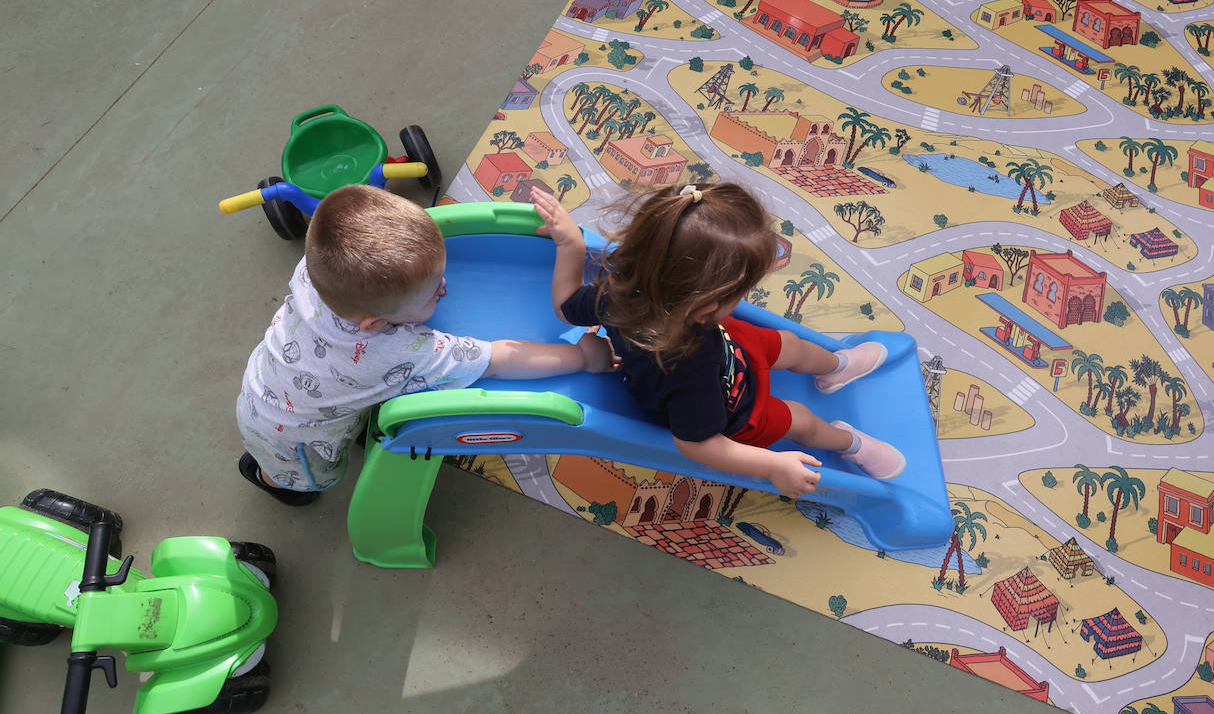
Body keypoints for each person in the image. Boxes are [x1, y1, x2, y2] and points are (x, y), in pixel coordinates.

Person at [236, 184, 615, 506]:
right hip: (295, 441)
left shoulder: (312, 271)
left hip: (260, 381)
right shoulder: (398, 351)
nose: (445, 288)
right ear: (376, 323)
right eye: (434, 292)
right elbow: (500, 358)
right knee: (311, 479)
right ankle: (274, 480)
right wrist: (581, 356)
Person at [532, 182, 904, 499]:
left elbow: (566, 307)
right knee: (801, 420)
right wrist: (773, 464)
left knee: (789, 344)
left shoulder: (618, 289)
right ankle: (848, 442)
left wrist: (570, 246)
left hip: (727, 345)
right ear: (707, 306)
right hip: (734, 406)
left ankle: (837, 367)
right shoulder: (688, 370)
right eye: (741, 291)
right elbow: (697, 443)